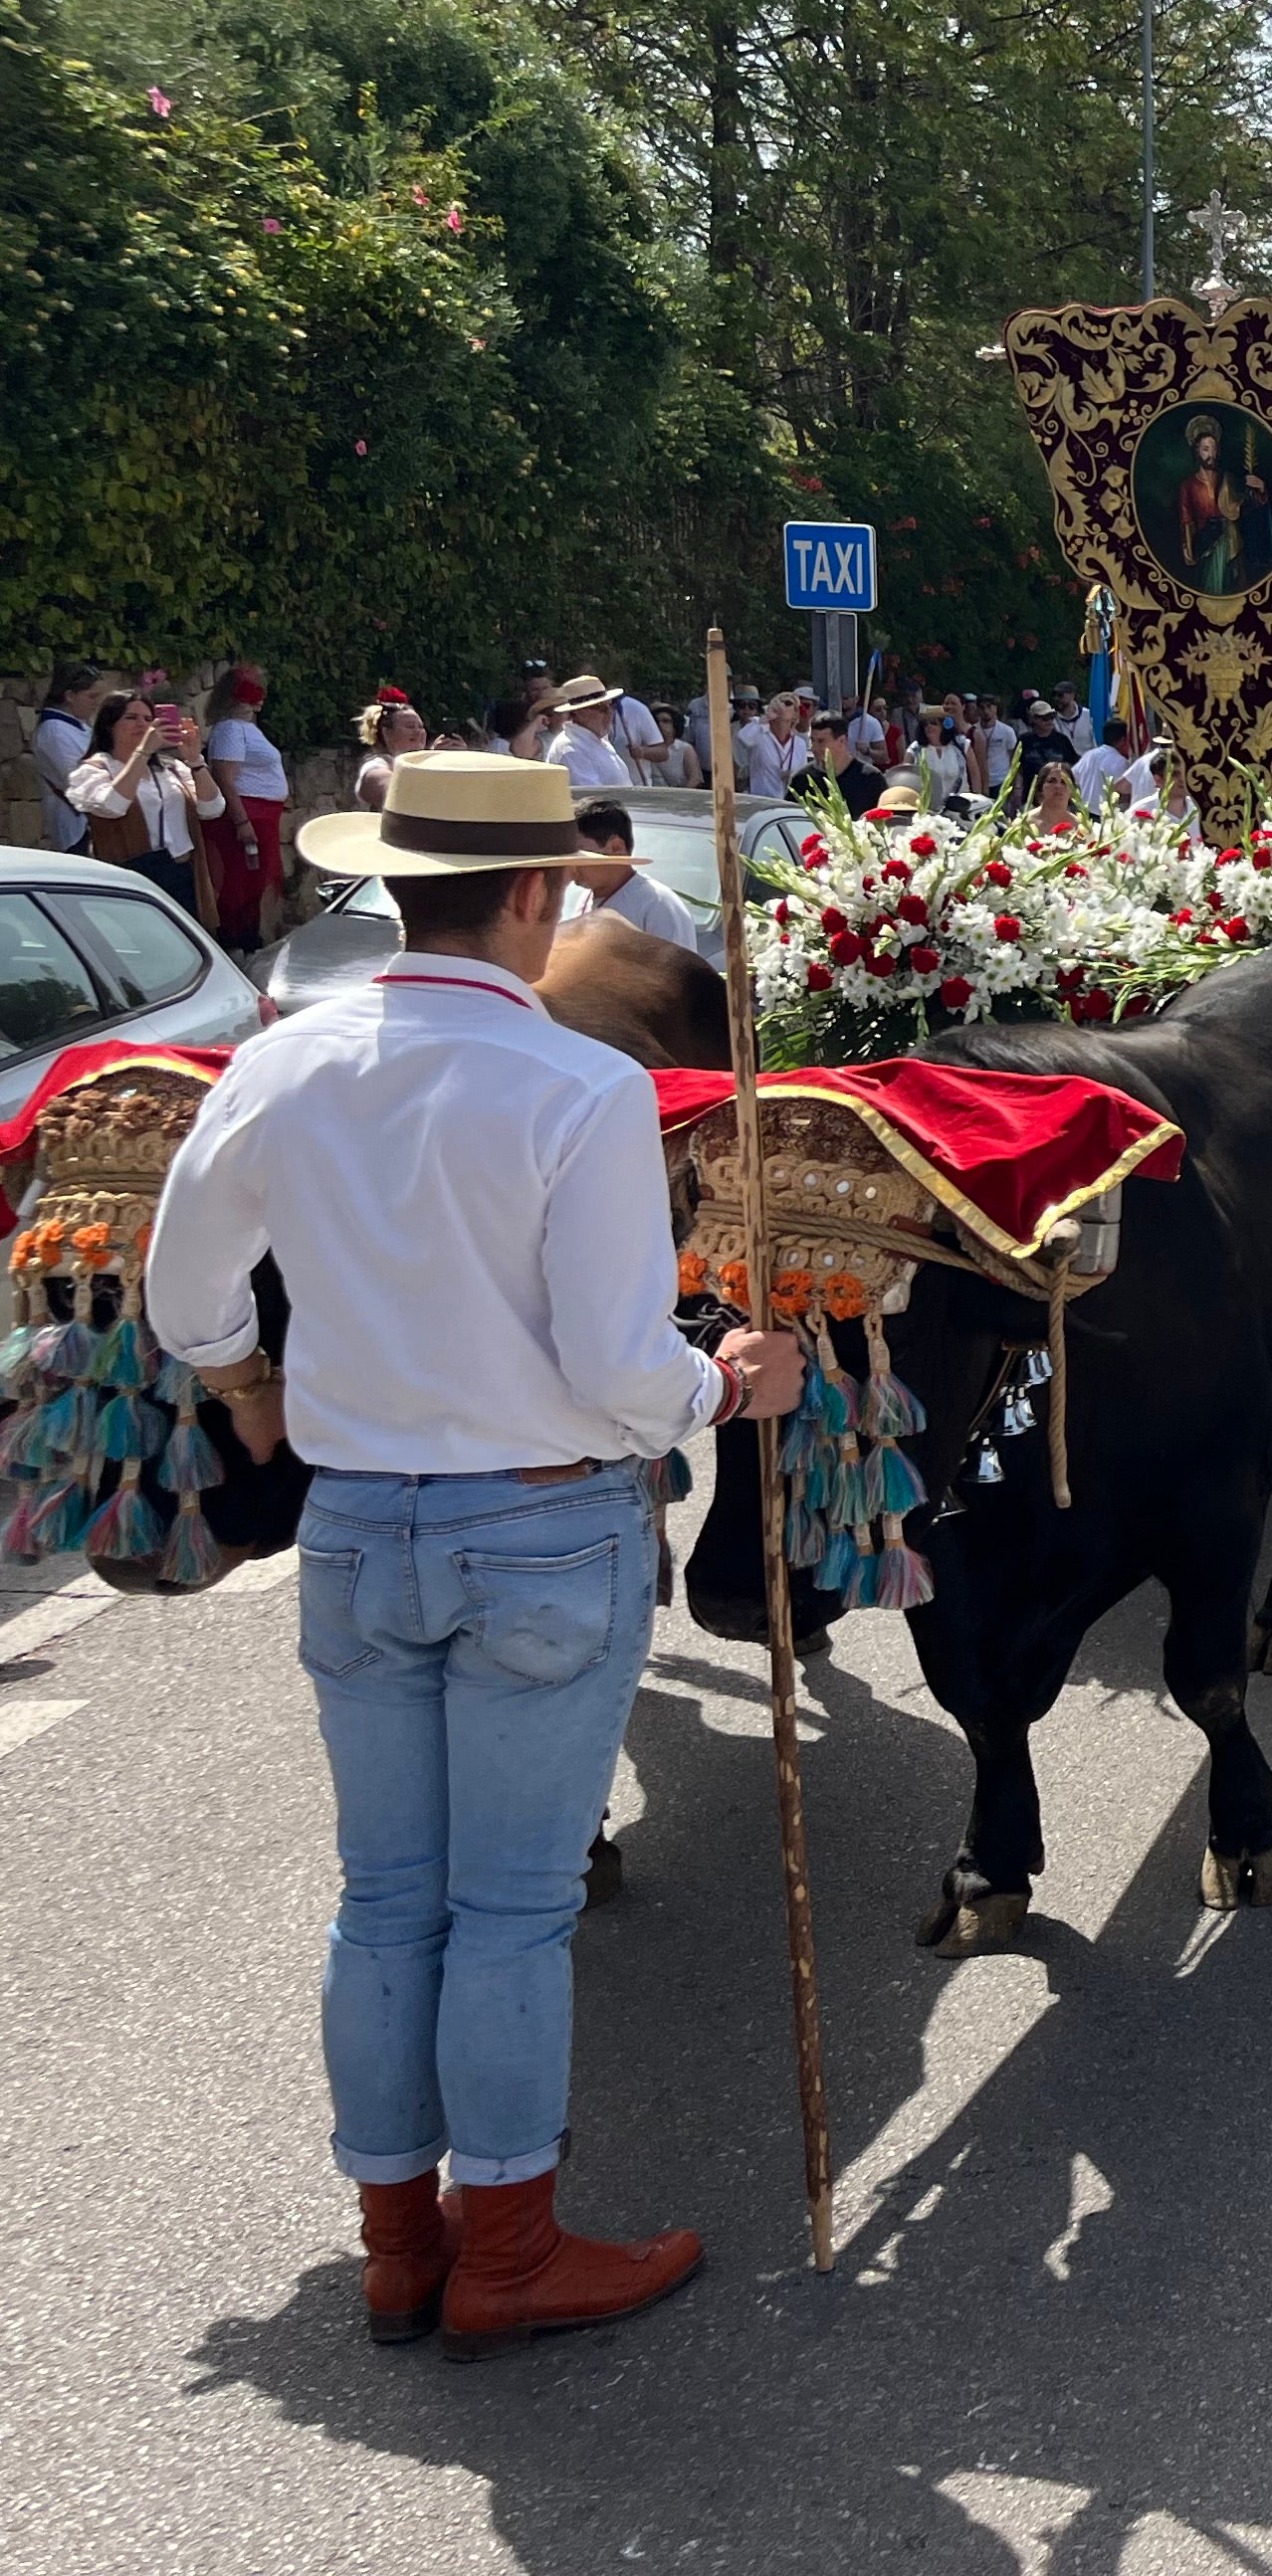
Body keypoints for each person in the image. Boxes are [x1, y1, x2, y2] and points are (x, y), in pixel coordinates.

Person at [142, 749, 802, 2357]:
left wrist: (251, 1387)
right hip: (541, 1531)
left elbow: (182, 1295)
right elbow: (612, 1363)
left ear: (391, 884)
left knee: (386, 1902)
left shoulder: (280, 1062)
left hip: (360, 1527)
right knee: (507, 1912)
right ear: (532, 897)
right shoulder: (579, 1092)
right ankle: (506, 2247)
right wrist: (722, 1380)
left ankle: (397, 2242)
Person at [66, 690, 226, 908]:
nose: (143, 725)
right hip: (131, 874)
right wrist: (142, 752)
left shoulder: (171, 769)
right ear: (109, 725)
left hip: (180, 873)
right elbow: (113, 806)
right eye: (131, 718)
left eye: (149, 719)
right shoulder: (96, 769)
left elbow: (212, 808)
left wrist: (196, 760)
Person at [198, 667, 295, 949]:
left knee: (254, 882)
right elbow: (224, 777)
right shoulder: (230, 729)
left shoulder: (245, 729)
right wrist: (241, 821)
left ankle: (247, 939)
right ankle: (237, 942)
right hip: (247, 815)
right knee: (239, 883)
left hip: (262, 815)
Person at [559, 799, 705, 959]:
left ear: (616, 848)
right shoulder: (583, 899)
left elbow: (679, 977)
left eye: (579, 855)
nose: (571, 866)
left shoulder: (658, 905)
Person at [32, 660, 103, 850]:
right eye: (91, 696)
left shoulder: (75, 724)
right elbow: (78, 780)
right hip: (76, 827)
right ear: (70, 696)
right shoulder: (55, 731)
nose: (96, 703)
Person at [542, 675, 634, 792]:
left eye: (610, 705)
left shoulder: (599, 741)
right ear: (579, 712)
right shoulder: (570, 749)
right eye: (602, 708)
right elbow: (592, 798)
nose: (609, 713)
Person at [351, 692, 425, 811]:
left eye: (421, 727)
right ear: (387, 733)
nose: (418, 732)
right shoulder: (376, 766)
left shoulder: (429, 762)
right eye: (410, 726)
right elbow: (392, 793)